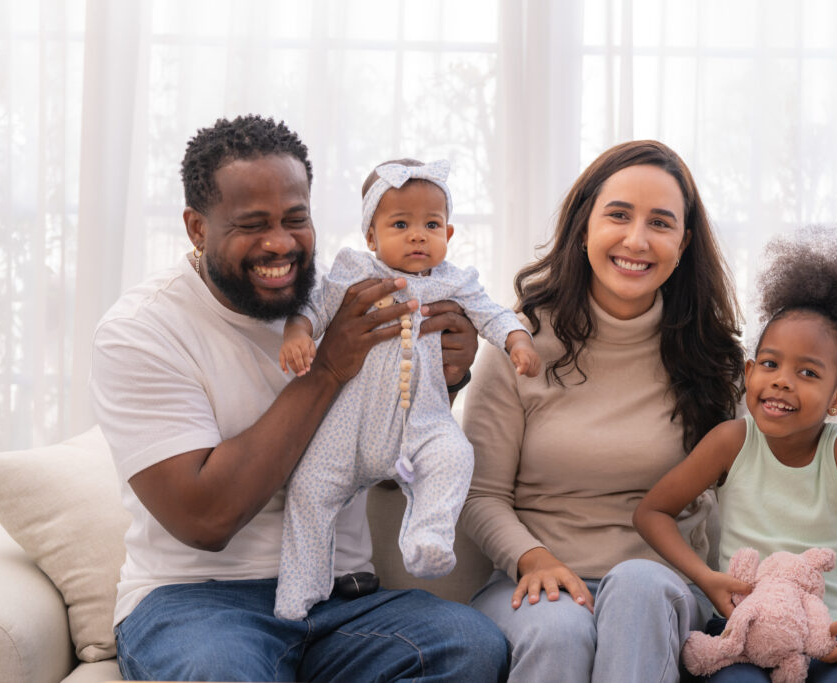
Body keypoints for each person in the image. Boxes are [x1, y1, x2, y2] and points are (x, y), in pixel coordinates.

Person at [89, 115, 509, 682]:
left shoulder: (350, 296)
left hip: (342, 601)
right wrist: (329, 368)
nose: (280, 244)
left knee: (469, 644)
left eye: (295, 219)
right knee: (222, 672)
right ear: (196, 228)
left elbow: (382, 471)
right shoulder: (142, 331)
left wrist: (445, 379)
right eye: (252, 224)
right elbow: (205, 518)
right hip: (197, 602)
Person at [459, 140, 746, 682]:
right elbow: (480, 495)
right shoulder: (518, 343)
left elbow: (776, 490)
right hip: (535, 581)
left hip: (662, 589)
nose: (636, 240)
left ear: (682, 243)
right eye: (618, 215)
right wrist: (534, 559)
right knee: (560, 630)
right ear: (584, 225)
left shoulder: (714, 358)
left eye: (660, 223)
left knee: (638, 587)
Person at [634, 226, 837, 681]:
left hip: (827, 638)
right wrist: (706, 578)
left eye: (807, 372)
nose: (782, 380)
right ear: (750, 372)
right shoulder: (731, 442)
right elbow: (651, 512)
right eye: (770, 364)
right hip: (742, 634)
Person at [275, 157, 540, 620]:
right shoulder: (354, 271)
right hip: (350, 425)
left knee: (455, 455)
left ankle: (427, 537)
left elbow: (493, 314)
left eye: (431, 225)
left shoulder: (455, 282)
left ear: (448, 234)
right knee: (310, 489)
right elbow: (314, 309)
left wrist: (517, 340)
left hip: (423, 420)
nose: (418, 235)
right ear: (371, 236)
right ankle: (301, 589)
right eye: (401, 224)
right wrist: (297, 333)